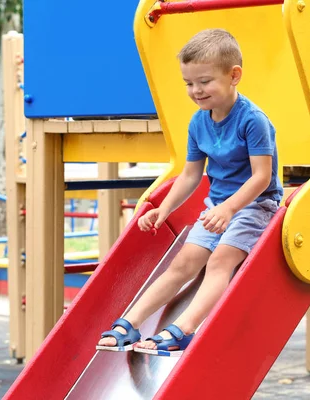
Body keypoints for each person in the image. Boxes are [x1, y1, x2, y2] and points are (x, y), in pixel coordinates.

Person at [96, 28, 283, 356]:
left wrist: (228, 210)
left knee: (220, 260)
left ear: (234, 75)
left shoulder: (253, 121)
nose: (196, 90)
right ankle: (130, 323)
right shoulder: (198, 123)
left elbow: (261, 177)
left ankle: (184, 329)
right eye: (189, 83)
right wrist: (164, 209)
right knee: (184, 263)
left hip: (256, 204)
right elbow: (190, 175)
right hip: (217, 206)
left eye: (205, 81)